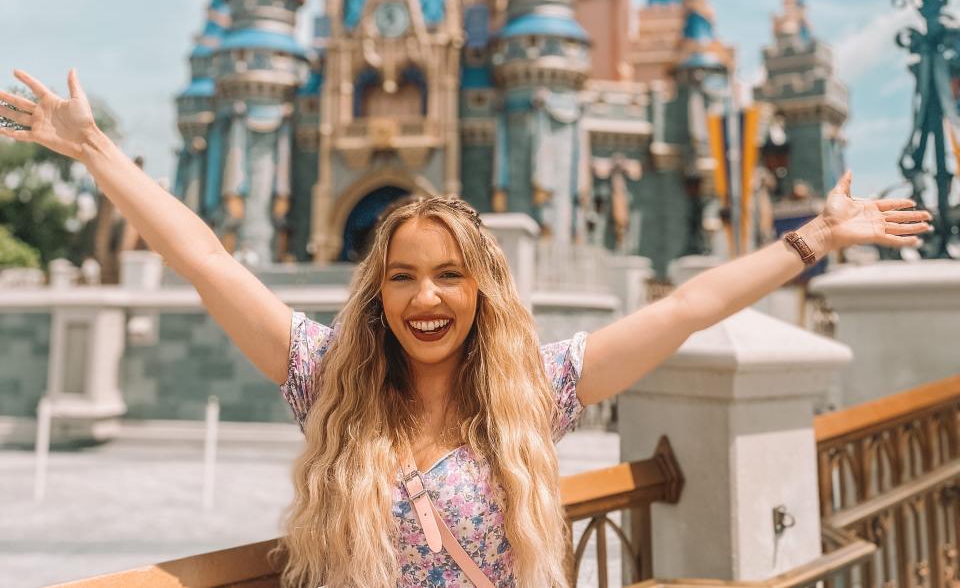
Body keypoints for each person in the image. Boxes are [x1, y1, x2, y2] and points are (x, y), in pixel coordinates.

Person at [0, 69, 933, 588]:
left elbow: (684, 309)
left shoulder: (534, 391)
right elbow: (209, 262)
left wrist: (811, 238)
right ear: (377, 296)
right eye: (402, 277)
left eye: (449, 275)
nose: (425, 297)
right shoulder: (328, 381)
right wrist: (94, 151)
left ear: (483, 292)